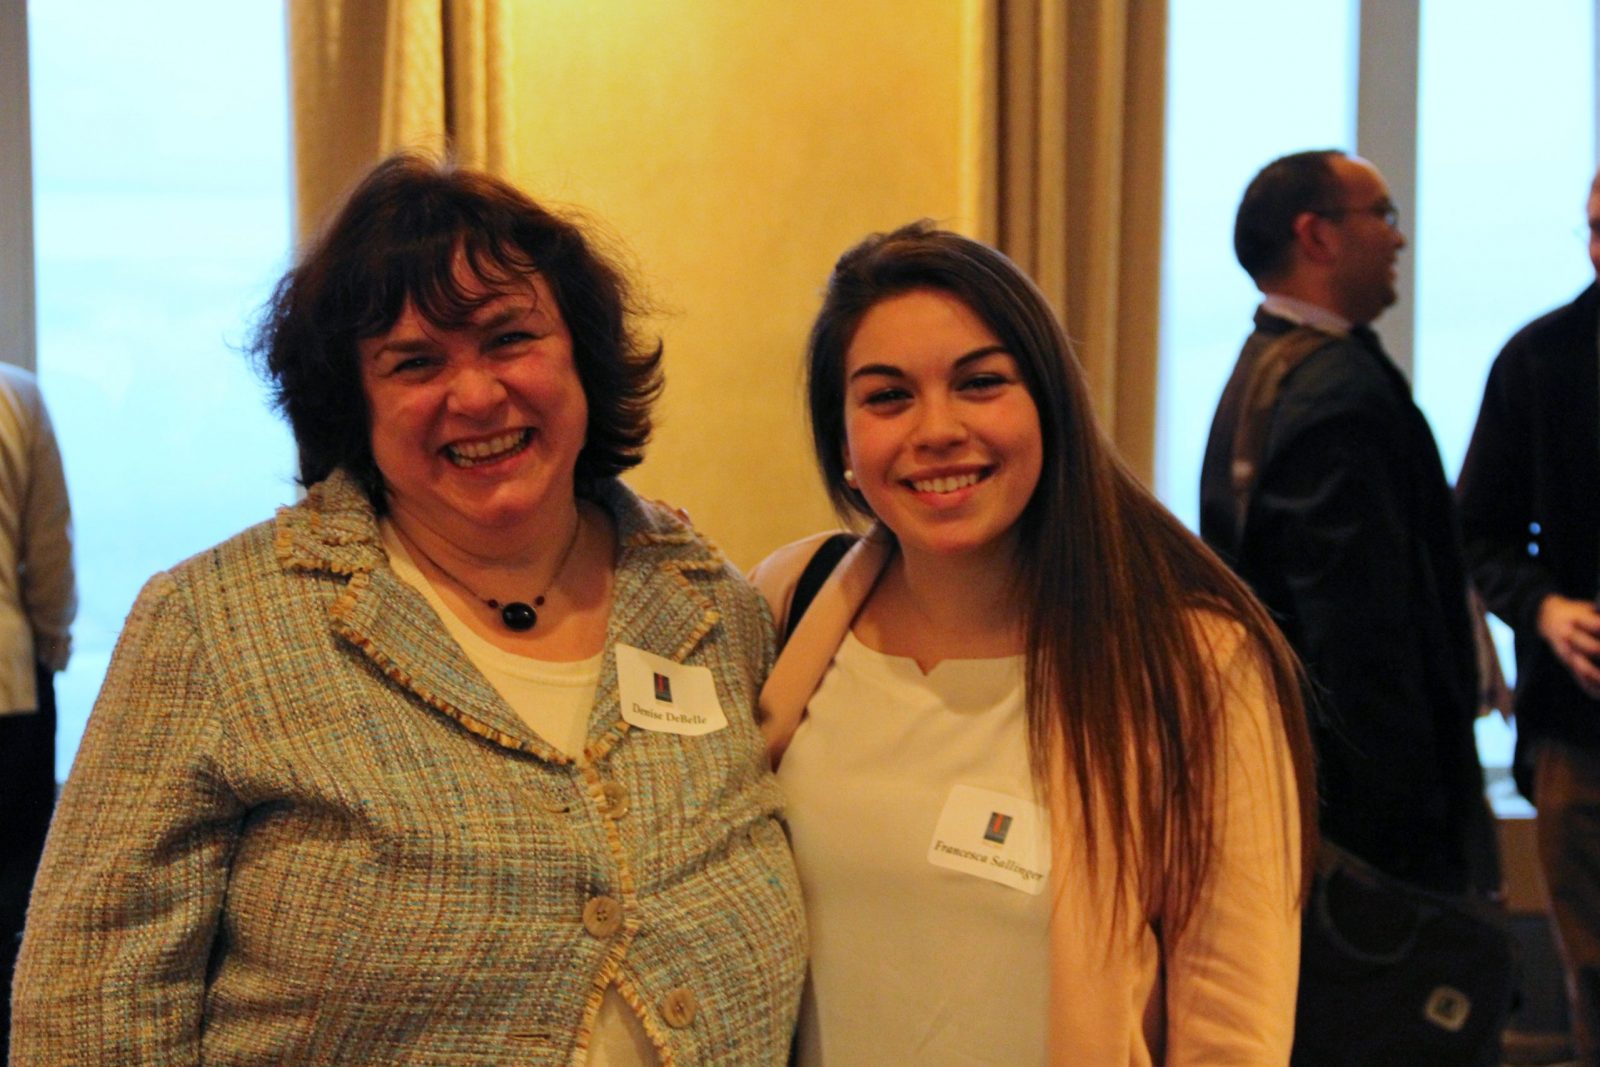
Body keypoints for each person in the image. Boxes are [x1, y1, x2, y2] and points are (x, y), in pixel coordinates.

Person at [11, 154, 805, 1065]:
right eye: (415, 362)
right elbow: (85, 1013)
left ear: (580, 356)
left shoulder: (706, 604)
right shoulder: (213, 627)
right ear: (356, 403)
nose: (474, 395)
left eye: (509, 339)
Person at [753, 221, 1316, 1064]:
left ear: (1050, 406)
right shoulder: (787, 603)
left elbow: (1234, 1025)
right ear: (844, 443)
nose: (936, 428)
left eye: (979, 383)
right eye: (887, 396)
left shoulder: (1193, 661)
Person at [1199, 148, 1498, 898]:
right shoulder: (1334, 392)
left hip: (1300, 786)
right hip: (1369, 828)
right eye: (1383, 216)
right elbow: (1361, 638)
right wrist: (1414, 841)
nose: (1398, 239)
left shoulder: (1263, 368)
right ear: (1319, 236)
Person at [1456, 166, 1600, 1063]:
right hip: (1577, 734)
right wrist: (1543, 609)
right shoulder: (1540, 357)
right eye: (1594, 227)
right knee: (1593, 975)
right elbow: (1476, 531)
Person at [0, 362, 75, 1064]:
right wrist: (54, 639)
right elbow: (48, 546)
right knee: (12, 888)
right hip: (7, 688)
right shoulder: (13, 393)